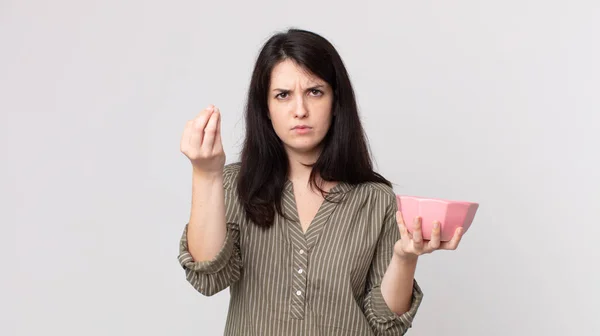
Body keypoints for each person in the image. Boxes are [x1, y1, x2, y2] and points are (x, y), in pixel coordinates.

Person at [177, 28, 463, 335]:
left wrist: (405, 257)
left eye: (315, 92)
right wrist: (206, 173)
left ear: (336, 102)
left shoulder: (376, 199)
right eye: (283, 95)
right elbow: (209, 278)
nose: (300, 110)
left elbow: (385, 323)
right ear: (266, 108)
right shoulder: (236, 185)